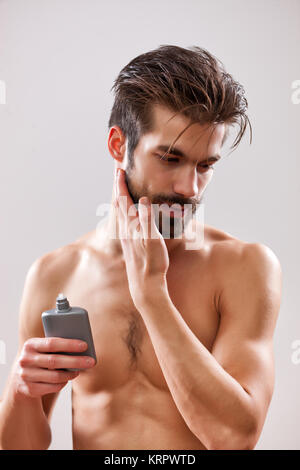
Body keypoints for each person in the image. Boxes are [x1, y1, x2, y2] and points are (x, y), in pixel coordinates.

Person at [0, 45, 282, 450]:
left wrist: (152, 294)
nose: (190, 188)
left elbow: (235, 437)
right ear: (119, 146)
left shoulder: (244, 267)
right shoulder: (55, 275)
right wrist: (20, 392)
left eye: (205, 166)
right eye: (170, 158)